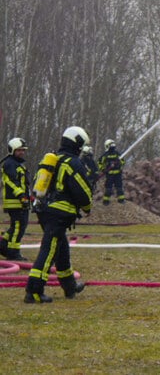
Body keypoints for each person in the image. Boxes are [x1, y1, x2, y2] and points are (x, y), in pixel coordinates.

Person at [25, 126, 94, 303]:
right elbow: (82, 191)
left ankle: (70, 286)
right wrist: (87, 207)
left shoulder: (53, 159)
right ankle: (34, 291)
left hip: (44, 210)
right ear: (77, 144)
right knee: (48, 251)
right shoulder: (73, 163)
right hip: (60, 213)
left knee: (61, 248)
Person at [1, 138, 31, 261]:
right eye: (19, 150)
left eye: (23, 150)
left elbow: (23, 183)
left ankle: (3, 246)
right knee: (19, 227)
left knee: (16, 227)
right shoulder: (10, 164)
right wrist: (21, 196)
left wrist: (28, 196)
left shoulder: (17, 164)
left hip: (21, 201)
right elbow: (11, 182)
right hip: (16, 202)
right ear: (12, 150)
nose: (22, 152)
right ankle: (13, 253)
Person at [98, 139, 126, 204]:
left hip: (117, 174)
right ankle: (106, 201)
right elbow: (99, 162)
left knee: (119, 187)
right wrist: (103, 169)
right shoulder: (105, 155)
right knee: (108, 188)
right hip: (109, 175)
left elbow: (123, 161)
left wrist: (119, 164)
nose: (113, 146)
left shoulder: (117, 154)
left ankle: (121, 200)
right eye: (111, 144)